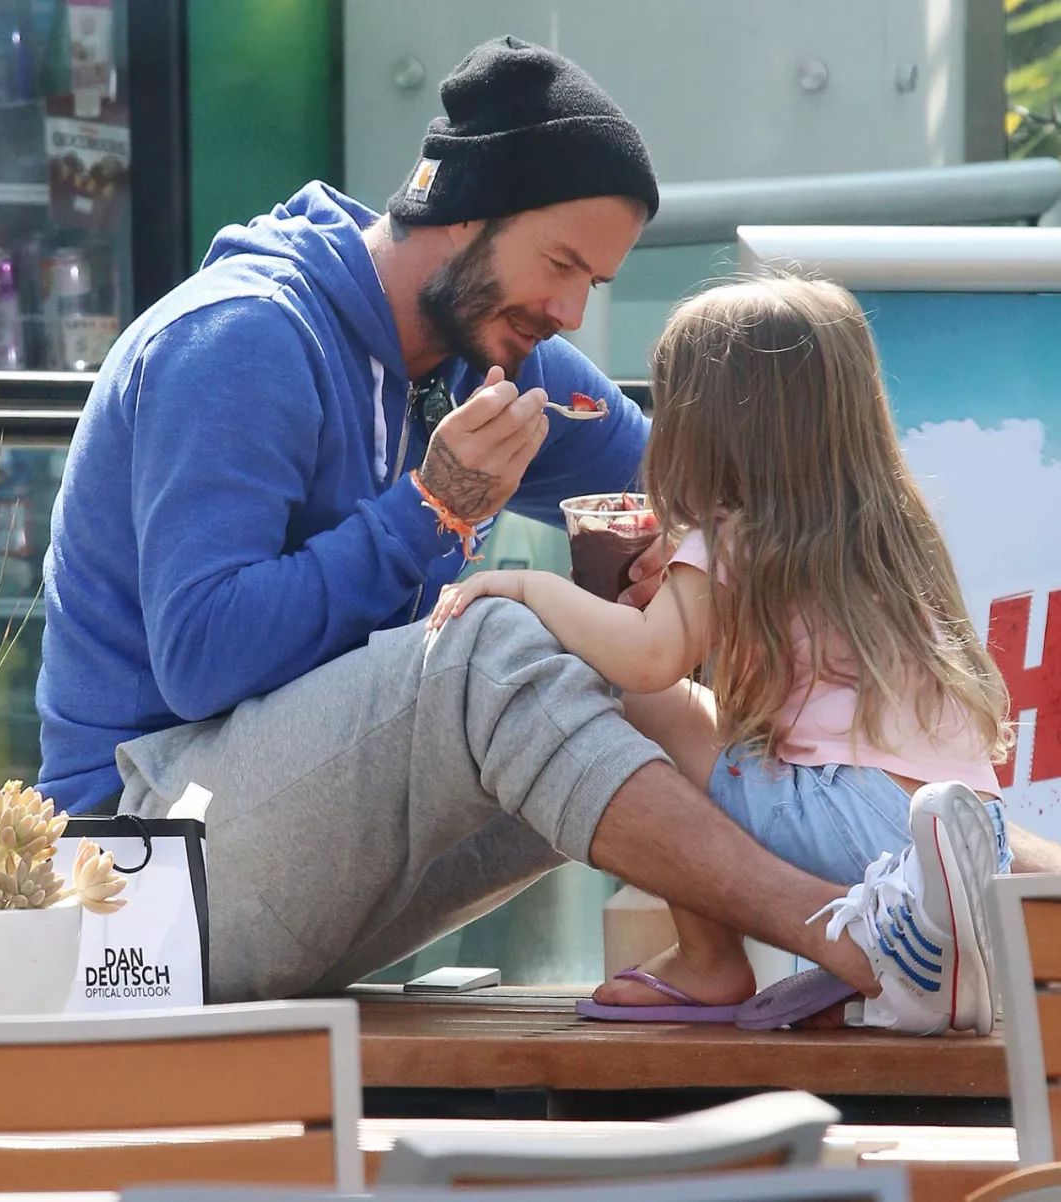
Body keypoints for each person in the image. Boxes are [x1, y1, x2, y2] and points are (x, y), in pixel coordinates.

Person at [37, 34, 1000, 1032]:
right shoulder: (242, 338)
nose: (573, 310)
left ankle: (957, 908)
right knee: (494, 647)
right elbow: (200, 660)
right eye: (561, 264)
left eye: (598, 282)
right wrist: (432, 510)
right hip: (138, 885)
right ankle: (858, 939)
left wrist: (684, 573)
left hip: (294, 869)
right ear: (460, 212)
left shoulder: (491, 352)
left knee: (630, 674)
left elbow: (705, 480)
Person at [429, 275, 1013, 1033]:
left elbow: (646, 661)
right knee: (708, 726)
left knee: (628, 700)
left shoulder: (731, 535)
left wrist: (527, 587)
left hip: (855, 823)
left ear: (708, 429)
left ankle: (710, 962)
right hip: (970, 836)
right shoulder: (888, 525)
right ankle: (916, 938)